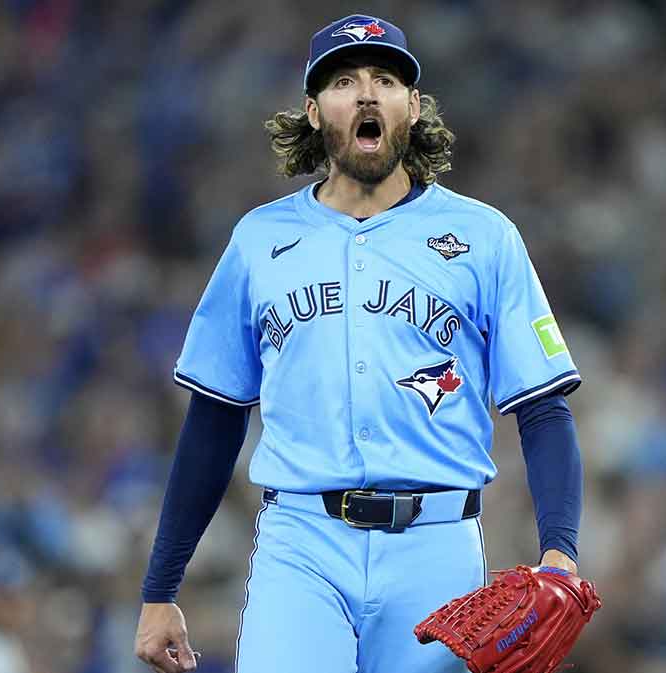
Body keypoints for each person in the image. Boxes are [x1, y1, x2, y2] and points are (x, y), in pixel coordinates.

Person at [133, 14, 585, 673]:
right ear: (314, 112)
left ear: (415, 107)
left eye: (385, 79)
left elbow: (543, 409)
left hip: (436, 542)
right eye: (344, 80)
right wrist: (159, 588)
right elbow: (215, 417)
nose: (367, 93)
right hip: (302, 544)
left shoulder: (485, 237)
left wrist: (561, 553)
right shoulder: (259, 240)